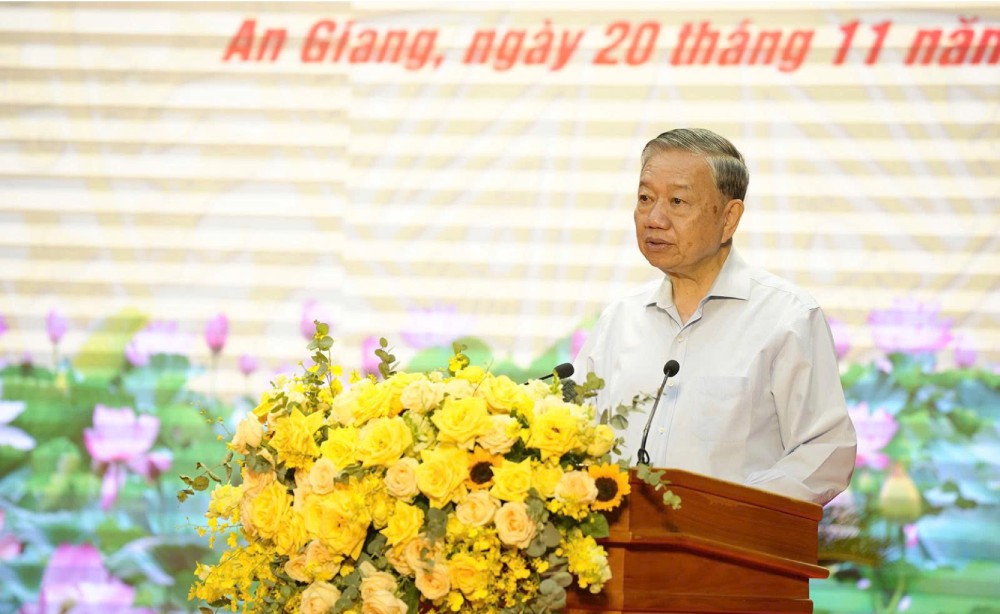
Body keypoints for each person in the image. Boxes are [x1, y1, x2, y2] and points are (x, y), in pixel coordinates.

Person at [573, 128, 856, 505]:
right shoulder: (619, 321)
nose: (654, 218)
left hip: (734, 553)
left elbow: (825, 450)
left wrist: (726, 515)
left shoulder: (787, 316)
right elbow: (573, 436)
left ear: (729, 218)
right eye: (645, 198)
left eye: (677, 201)